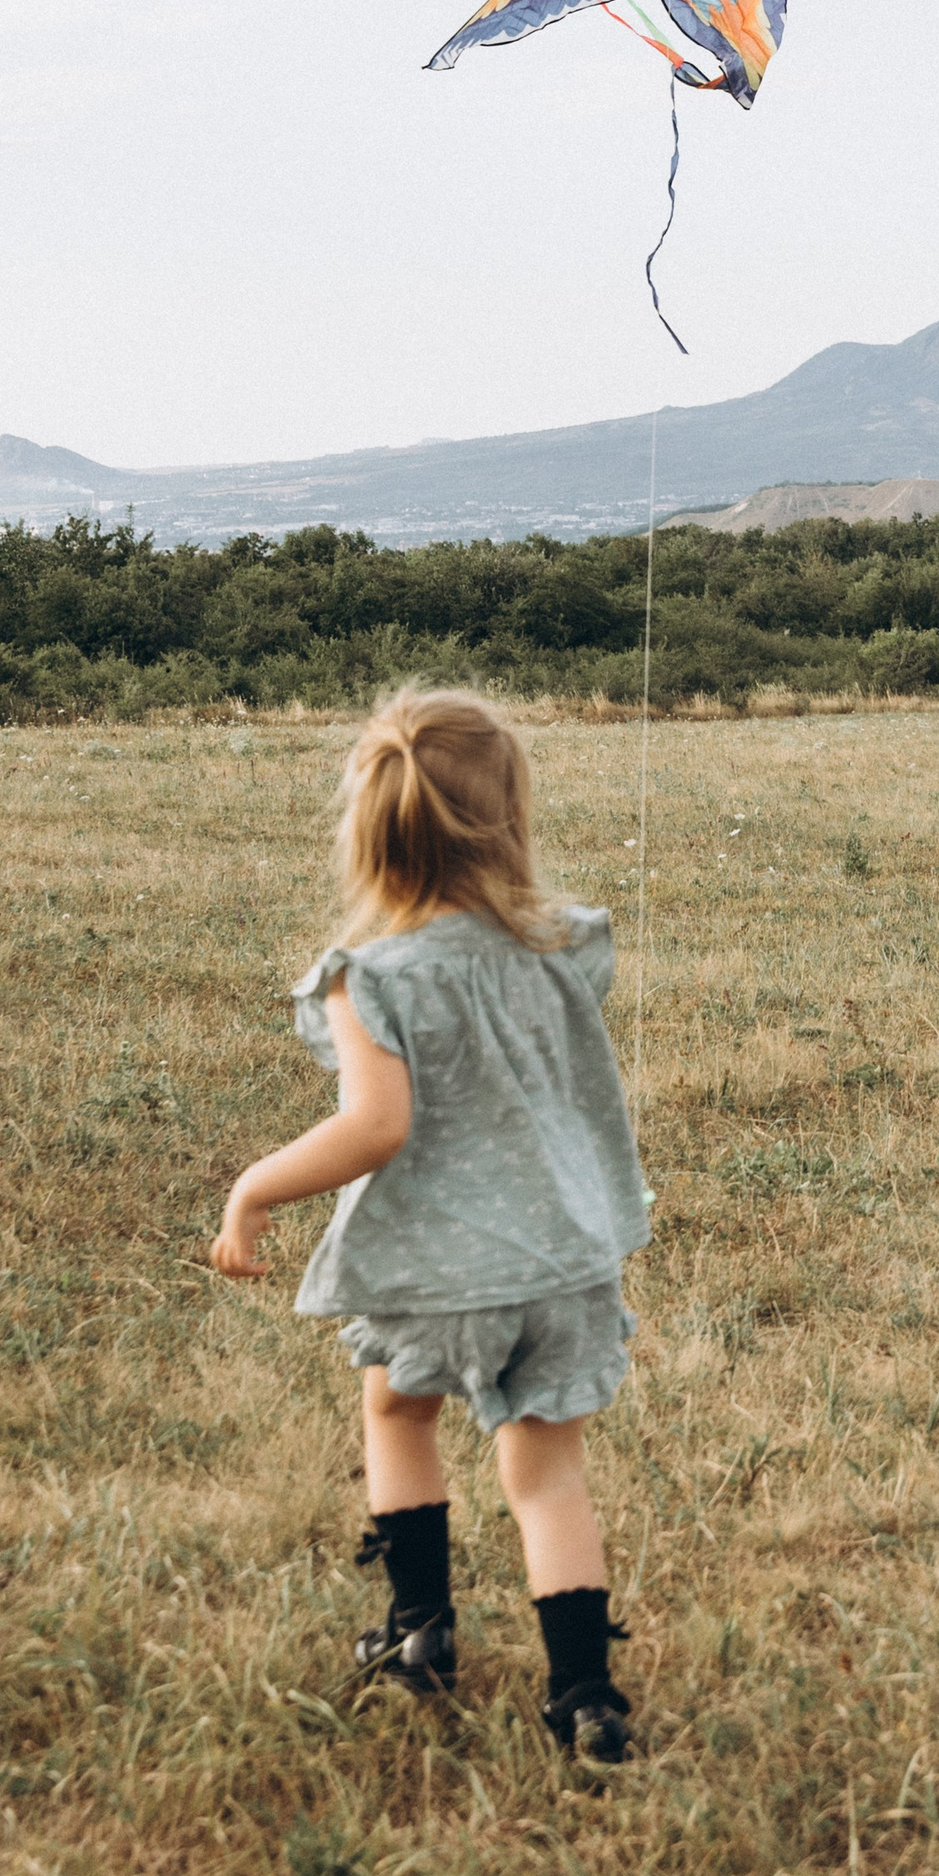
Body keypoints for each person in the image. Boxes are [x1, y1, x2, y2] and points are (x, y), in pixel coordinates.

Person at [209, 687, 650, 1764]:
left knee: (398, 1410)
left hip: (446, 1270)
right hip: (566, 1259)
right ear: (511, 818)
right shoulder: (567, 944)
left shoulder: (371, 978)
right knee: (547, 1473)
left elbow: (374, 1126)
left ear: (370, 833)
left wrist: (255, 1187)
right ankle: (586, 1696)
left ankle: (420, 1630)